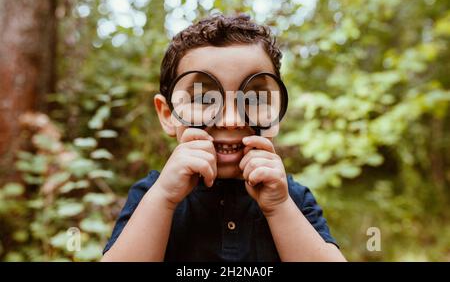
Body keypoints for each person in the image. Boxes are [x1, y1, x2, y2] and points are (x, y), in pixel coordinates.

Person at [101, 14, 346, 262]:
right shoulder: (152, 194)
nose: (231, 120)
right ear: (168, 114)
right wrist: (163, 198)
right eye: (203, 98)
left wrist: (279, 207)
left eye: (254, 99)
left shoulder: (292, 198)